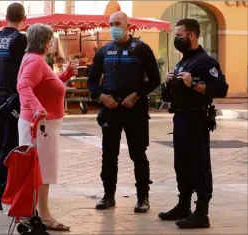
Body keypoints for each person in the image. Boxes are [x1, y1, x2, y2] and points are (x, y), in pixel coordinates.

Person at [87, 11, 161, 213]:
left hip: (134, 110)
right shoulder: (103, 51)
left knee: (138, 154)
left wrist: (137, 95)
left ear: (128, 26)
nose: (113, 28)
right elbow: (92, 81)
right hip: (111, 109)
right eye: (111, 24)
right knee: (108, 155)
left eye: (118, 24)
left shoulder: (142, 49)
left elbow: (155, 79)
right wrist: (102, 97)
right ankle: (108, 195)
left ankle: (143, 198)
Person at [159, 18, 229, 229]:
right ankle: (183, 205)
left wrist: (194, 83)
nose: (176, 39)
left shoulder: (205, 62)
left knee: (199, 164)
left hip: (197, 118)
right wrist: (169, 82)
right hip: (180, 117)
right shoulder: (183, 61)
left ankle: (201, 212)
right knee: (181, 163)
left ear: (191, 35)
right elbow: (169, 95)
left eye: (179, 35)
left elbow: (221, 89)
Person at [17, 23, 76, 231]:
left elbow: (44, 85)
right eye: (51, 39)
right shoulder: (35, 61)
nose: (52, 43)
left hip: (41, 123)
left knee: (38, 169)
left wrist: (65, 76)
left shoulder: (34, 59)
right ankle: (43, 215)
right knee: (43, 170)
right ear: (45, 41)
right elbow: (24, 86)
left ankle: (33, 212)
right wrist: (38, 108)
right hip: (41, 124)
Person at [0, 2, 27, 211]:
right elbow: (25, 68)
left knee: (2, 144)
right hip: (14, 99)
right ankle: (5, 192)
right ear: (24, 18)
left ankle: (0, 191)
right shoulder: (20, 39)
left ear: (6, 16)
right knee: (11, 145)